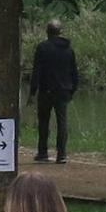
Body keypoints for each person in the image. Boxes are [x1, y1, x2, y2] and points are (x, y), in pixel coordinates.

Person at [30, 19, 79, 164]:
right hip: (64, 90)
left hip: (46, 90)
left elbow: (36, 71)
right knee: (62, 122)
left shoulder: (42, 48)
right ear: (61, 32)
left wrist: (33, 91)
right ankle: (62, 154)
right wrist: (73, 89)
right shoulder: (69, 50)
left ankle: (43, 152)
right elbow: (74, 72)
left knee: (44, 121)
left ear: (47, 32)